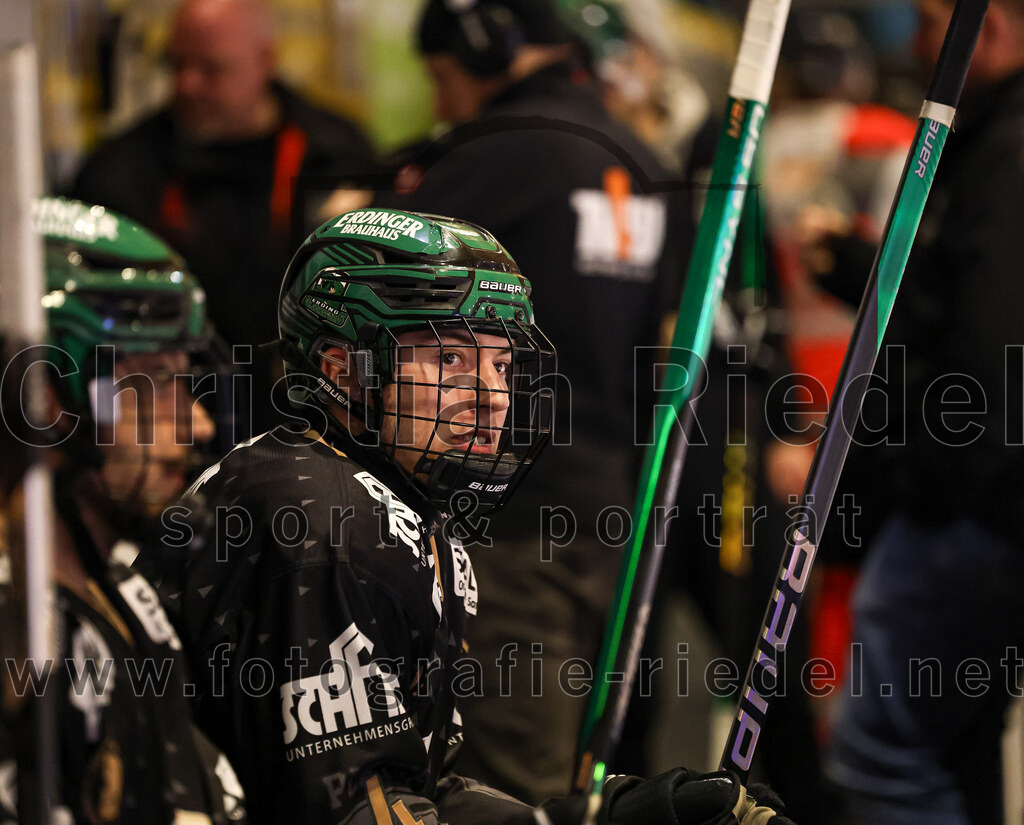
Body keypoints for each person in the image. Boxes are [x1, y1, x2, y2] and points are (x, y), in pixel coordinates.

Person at [134, 207, 793, 825]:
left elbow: (415, 788)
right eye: (449, 358)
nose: (492, 398)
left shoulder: (392, 503)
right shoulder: (318, 517)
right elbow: (351, 810)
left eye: (502, 363)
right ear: (342, 369)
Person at [370, 0, 690, 801]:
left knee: (509, 786)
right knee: (597, 774)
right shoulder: (645, 160)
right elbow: (676, 345)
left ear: (488, 50)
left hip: (505, 528)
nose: (442, 101)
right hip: (619, 514)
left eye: (443, 78)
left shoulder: (484, 158)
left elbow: (378, 313)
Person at [823, 1, 1024, 823]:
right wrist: (858, 270)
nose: (915, 42)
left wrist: (926, 478)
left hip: (967, 510)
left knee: (883, 757)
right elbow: (954, 303)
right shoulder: (989, 139)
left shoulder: (1009, 149)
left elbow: (993, 344)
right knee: (955, 747)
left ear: (999, 25)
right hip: (973, 502)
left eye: (934, 19)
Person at [0, 196, 245, 824]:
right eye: (157, 382)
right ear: (49, 396)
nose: (198, 421)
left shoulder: (127, 586)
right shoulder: (21, 634)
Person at [68, 0, 377, 439]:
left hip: (316, 425)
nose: (187, 84)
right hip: (177, 428)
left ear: (265, 62)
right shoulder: (120, 173)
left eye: (211, 69)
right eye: (176, 64)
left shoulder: (338, 156)